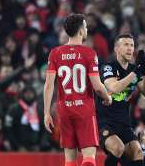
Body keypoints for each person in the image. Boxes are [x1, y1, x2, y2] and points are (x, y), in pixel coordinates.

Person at [43, 13, 112, 166]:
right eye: (86, 27)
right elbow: (97, 86)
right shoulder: (89, 53)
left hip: (64, 110)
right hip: (84, 110)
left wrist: (47, 113)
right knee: (88, 157)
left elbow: (49, 85)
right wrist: (107, 97)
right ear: (81, 31)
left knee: (70, 159)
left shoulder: (55, 53)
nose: (87, 30)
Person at [97, 34, 145, 166]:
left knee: (138, 152)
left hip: (124, 123)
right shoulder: (108, 67)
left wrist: (143, 71)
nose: (130, 48)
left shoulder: (134, 69)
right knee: (118, 148)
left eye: (132, 45)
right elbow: (114, 87)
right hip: (105, 123)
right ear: (117, 48)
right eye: (126, 45)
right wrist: (135, 73)